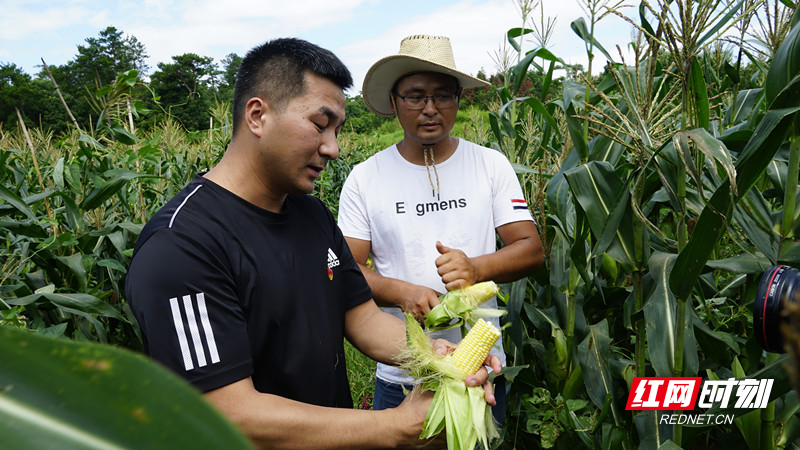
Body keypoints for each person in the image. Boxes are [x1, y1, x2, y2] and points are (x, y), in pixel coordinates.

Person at [124, 37, 499, 449]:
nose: (333, 148)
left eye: (337, 129)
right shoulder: (182, 246)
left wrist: (437, 354)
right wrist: (394, 426)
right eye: (320, 125)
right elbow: (225, 409)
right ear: (257, 115)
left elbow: (361, 317)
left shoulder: (311, 214)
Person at [337, 35, 544, 421]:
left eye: (443, 95)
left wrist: (476, 268)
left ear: (459, 99)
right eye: (415, 96)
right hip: (402, 373)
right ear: (395, 102)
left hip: (480, 371)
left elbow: (530, 249)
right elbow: (347, 271)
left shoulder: (490, 165)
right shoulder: (365, 178)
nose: (430, 109)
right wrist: (401, 293)